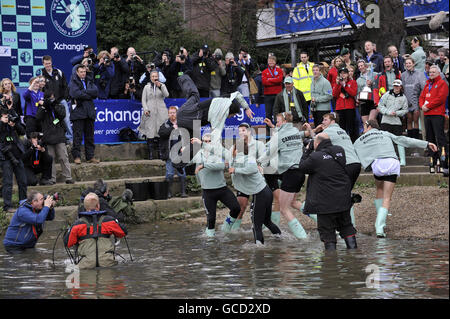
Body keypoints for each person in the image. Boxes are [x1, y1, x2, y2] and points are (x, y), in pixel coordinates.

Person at [354, 120, 437, 237]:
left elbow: (351, 152)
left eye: (364, 126)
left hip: (377, 164)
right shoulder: (385, 133)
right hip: (391, 163)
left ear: (369, 126)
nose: (363, 129)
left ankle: (379, 218)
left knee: (379, 189)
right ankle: (380, 228)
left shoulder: (360, 140)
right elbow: (404, 140)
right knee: (387, 198)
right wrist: (426, 143)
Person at [173, 74, 253, 165]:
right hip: (191, 120)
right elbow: (216, 135)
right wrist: (222, 153)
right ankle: (178, 162)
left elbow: (237, 94)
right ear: (231, 111)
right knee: (196, 144)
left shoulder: (225, 98)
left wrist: (246, 108)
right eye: (233, 115)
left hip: (184, 110)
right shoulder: (222, 115)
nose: (231, 117)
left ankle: (183, 77)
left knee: (194, 95)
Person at [298, 133, 357, 250]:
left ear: (317, 143)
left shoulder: (315, 157)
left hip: (325, 203)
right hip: (343, 200)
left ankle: (331, 262)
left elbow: (302, 167)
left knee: (327, 232)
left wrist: (307, 150)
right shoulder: (340, 151)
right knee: (346, 226)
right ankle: (354, 253)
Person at [304, 112, 361, 227]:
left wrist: (312, 129)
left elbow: (315, 142)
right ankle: (348, 226)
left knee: (343, 197)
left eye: (325, 120)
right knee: (346, 195)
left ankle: (348, 226)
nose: (323, 122)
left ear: (333, 121)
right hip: (356, 164)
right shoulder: (342, 130)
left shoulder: (329, 131)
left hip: (347, 165)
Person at [257, 112, 308, 239]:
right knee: (294, 202)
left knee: (284, 208)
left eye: (278, 121)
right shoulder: (295, 132)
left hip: (290, 173)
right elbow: (301, 134)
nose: (276, 123)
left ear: (284, 121)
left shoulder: (279, 135)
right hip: (301, 172)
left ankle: (303, 238)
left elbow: (269, 153)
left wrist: (257, 162)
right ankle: (322, 221)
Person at [190, 133, 241, 237]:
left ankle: (226, 226)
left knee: (236, 208)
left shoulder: (218, 153)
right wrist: (183, 151)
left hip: (221, 189)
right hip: (207, 191)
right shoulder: (198, 154)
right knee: (211, 219)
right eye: (205, 141)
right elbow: (186, 164)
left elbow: (221, 166)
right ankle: (210, 241)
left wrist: (204, 165)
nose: (207, 143)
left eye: (209, 141)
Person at [64, 192, 128, 269]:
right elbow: (123, 232)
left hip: (86, 266)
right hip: (107, 264)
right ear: (98, 205)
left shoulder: (77, 225)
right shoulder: (109, 221)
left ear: (84, 207)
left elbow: (68, 243)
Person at [35, 90, 74, 184]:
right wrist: (44, 106)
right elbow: (38, 118)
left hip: (59, 135)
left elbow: (61, 115)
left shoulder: (59, 105)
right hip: (48, 137)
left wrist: (53, 104)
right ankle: (52, 178)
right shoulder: (43, 108)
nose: (51, 99)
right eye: (50, 98)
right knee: (50, 159)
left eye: (53, 97)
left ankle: (68, 177)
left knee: (63, 157)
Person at [419, 65, 449, 175]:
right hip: (427, 114)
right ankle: (433, 161)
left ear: (438, 73)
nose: (431, 73)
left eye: (433, 72)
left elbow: (440, 98)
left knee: (440, 138)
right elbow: (421, 97)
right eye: (430, 72)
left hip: (437, 114)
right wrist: (422, 105)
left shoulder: (442, 83)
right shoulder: (428, 84)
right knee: (430, 138)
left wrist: (428, 106)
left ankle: (443, 162)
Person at [69, 65, 99, 164]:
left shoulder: (89, 80)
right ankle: (77, 156)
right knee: (77, 136)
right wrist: (88, 95)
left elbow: (95, 92)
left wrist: (84, 92)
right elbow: (75, 94)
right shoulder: (73, 81)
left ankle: (90, 156)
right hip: (78, 113)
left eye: (84, 72)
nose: (83, 73)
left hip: (89, 112)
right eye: (81, 72)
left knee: (90, 136)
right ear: (77, 72)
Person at [138, 70, 169, 160]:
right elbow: (143, 100)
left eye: (156, 76)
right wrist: (146, 109)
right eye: (153, 76)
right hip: (150, 111)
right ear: (150, 77)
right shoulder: (147, 87)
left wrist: (161, 86)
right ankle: (150, 154)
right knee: (150, 131)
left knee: (160, 131)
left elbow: (166, 95)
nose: (154, 78)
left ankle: (160, 153)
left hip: (161, 111)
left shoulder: (162, 85)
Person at [0, 108, 27, 213]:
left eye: (8, 116)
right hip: (5, 158)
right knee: (8, 182)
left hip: (17, 156)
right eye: (5, 116)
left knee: (23, 181)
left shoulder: (11, 125)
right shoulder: (1, 126)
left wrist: (14, 124)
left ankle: (23, 203)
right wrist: (2, 123)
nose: (7, 118)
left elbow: (22, 131)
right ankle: (7, 206)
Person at [41, 55, 72, 143]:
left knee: (66, 119)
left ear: (52, 62)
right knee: (54, 120)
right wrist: (49, 96)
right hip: (50, 102)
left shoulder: (58, 72)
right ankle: (56, 137)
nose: (48, 65)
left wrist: (65, 97)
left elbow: (65, 86)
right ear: (43, 64)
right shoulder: (41, 75)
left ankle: (70, 138)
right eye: (46, 64)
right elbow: (42, 90)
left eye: (49, 63)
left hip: (61, 100)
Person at [158, 106, 188, 198]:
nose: (172, 114)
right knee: (170, 173)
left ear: (177, 113)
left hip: (180, 153)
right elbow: (161, 133)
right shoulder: (165, 124)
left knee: (182, 173)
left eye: (174, 112)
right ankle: (168, 192)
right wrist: (173, 128)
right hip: (169, 153)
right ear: (168, 114)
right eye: (170, 113)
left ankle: (183, 192)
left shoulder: (182, 123)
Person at [377, 79, 409, 166]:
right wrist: (387, 112)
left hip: (396, 121)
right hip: (385, 120)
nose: (396, 87)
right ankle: (384, 158)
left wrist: (397, 113)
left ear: (400, 87)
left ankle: (402, 160)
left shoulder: (403, 97)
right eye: (395, 85)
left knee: (399, 140)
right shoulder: (386, 94)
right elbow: (380, 106)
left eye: (398, 86)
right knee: (384, 140)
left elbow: (405, 109)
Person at [401, 57, 425, 140]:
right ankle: (410, 141)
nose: (408, 65)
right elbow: (402, 89)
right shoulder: (403, 75)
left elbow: (423, 88)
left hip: (416, 101)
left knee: (415, 120)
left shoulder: (419, 74)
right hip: (407, 101)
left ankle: (416, 140)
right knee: (409, 120)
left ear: (413, 64)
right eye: (406, 63)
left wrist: (420, 101)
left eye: (409, 63)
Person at [332, 67, 358, 142]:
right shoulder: (337, 83)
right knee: (341, 127)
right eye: (341, 73)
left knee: (351, 127)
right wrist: (337, 85)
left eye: (344, 73)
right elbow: (334, 94)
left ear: (347, 74)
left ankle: (354, 142)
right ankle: (342, 142)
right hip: (340, 108)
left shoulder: (352, 82)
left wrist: (345, 85)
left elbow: (353, 93)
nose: (343, 75)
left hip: (349, 107)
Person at [262, 55, 284, 137]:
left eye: (272, 61)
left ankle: (278, 129)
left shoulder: (279, 70)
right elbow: (264, 82)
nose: (271, 62)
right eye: (269, 61)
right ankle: (269, 132)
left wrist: (269, 79)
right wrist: (274, 80)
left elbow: (280, 80)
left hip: (277, 94)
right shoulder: (264, 71)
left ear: (275, 62)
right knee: (268, 113)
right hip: (268, 95)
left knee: (277, 113)